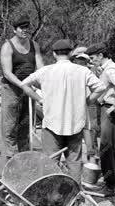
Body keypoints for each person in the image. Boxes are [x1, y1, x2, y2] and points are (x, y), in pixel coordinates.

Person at [21, 39, 105, 182]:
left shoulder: (46, 71)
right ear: (71, 53)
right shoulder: (83, 71)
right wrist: (87, 101)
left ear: (54, 54)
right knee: (74, 161)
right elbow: (101, 87)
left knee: (51, 161)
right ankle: (75, 194)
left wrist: (40, 99)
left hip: (52, 124)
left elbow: (24, 84)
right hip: (75, 124)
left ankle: (51, 194)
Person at [86, 42, 115, 196]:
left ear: (100, 55)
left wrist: (114, 105)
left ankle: (110, 186)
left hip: (112, 109)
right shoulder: (106, 69)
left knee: (105, 148)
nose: (91, 61)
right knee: (113, 148)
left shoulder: (110, 69)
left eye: (93, 58)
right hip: (112, 108)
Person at [0, 14, 44, 158]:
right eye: (21, 28)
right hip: (11, 89)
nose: (24, 30)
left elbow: (41, 68)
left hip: (28, 89)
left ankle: (24, 158)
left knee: (26, 124)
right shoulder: (8, 46)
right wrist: (23, 85)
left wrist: (43, 84)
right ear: (14, 30)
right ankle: (11, 158)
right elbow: (7, 73)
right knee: (10, 126)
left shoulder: (34, 45)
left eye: (26, 28)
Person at [72, 51, 99, 160]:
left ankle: (91, 155)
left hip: (89, 103)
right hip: (78, 103)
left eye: (83, 60)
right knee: (82, 128)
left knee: (90, 129)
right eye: (79, 59)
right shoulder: (76, 72)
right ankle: (85, 156)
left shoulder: (90, 72)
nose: (80, 62)